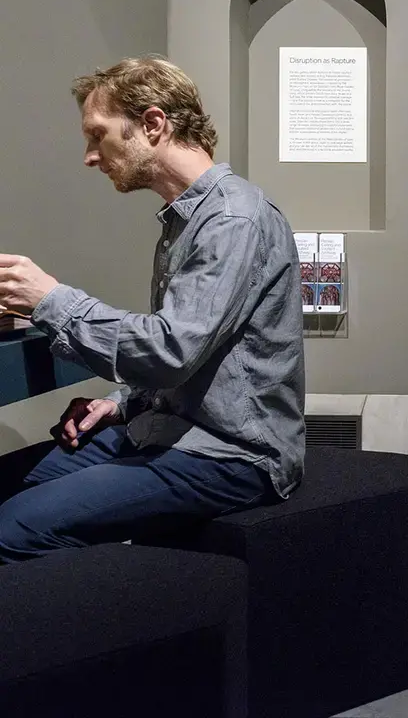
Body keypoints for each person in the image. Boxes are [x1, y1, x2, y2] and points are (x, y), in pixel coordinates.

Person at [0, 56, 306, 563]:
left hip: (231, 455)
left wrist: (50, 299)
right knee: (9, 486)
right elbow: (199, 354)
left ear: (153, 124)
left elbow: (171, 350)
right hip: (168, 431)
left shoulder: (232, 219)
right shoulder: (186, 220)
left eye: (98, 135)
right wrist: (121, 403)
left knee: (11, 531)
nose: (90, 157)